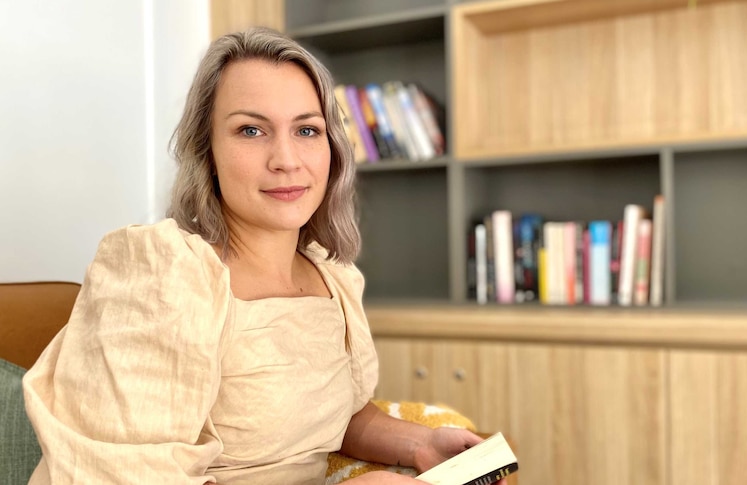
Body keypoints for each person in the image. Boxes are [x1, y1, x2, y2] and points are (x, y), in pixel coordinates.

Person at [23, 27, 504, 485]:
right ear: (205, 150)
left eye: (307, 130)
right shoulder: (162, 272)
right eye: (252, 131)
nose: (287, 160)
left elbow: (340, 416)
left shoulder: (331, 273)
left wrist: (422, 444)